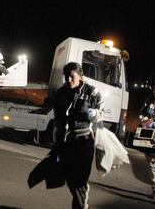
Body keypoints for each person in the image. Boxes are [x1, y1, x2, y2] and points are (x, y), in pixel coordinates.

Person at [53, 62, 103, 209]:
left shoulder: (92, 92)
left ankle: (80, 204)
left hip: (84, 141)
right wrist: (56, 135)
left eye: (72, 76)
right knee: (69, 178)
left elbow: (101, 114)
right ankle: (82, 198)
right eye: (66, 76)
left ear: (81, 76)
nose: (69, 80)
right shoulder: (61, 92)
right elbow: (57, 116)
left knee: (80, 181)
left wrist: (93, 113)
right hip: (65, 140)